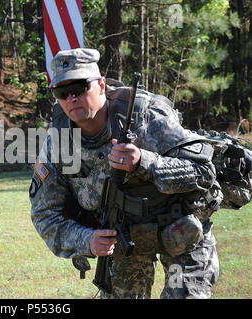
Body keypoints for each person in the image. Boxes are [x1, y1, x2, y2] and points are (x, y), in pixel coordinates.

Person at [29, 48, 223, 299]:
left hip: (180, 228)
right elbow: (45, 214)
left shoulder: (145, 115)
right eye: (62, 92)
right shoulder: (60, 141)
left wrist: (145, 161)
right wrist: (86, 239)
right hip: (126, 239)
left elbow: (204, 171)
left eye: (78, 88)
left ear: (100, 85)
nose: (71, 98)